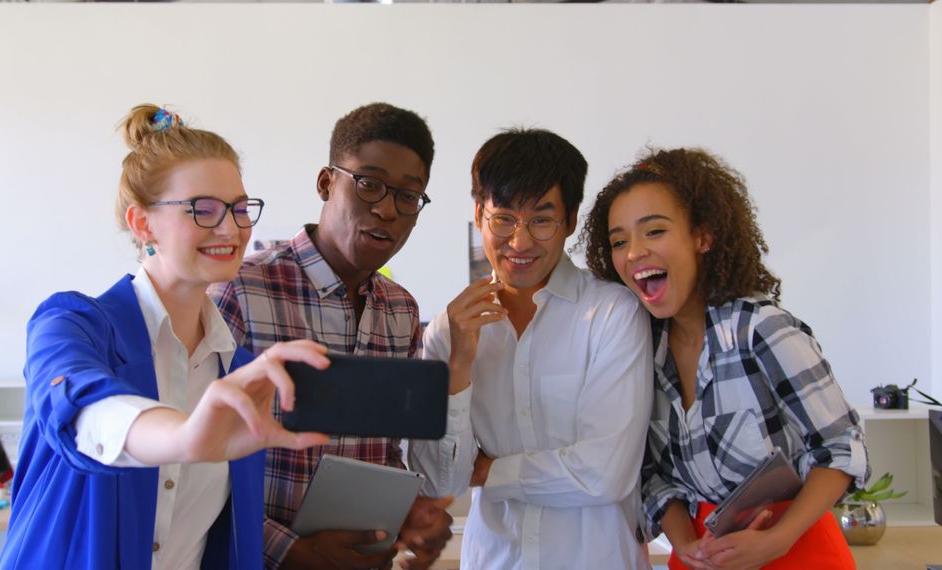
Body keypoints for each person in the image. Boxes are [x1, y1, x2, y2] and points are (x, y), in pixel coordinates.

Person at [0, 104, 330, 570]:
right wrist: (183, 436)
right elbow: (81, 410)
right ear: (142, 223)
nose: (231, 228)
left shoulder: (237, 372)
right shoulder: (73, 324)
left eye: (239, 209)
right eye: (203, 210)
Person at [581, 147, 869, 570]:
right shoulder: (640, 347)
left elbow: (841, 448)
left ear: (703, 237)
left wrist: (778, 541)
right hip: (702, 555)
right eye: (619, 241)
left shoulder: (762, 329)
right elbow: (648, 473)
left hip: (796, 550)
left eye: (654, 231)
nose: (634, 252)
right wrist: (684, 544)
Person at [210, 102, 453, 570]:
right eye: (369, 183)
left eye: (408, 195)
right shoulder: (239, 291)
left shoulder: (401, 310)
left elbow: (383, 453)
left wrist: (410, 513)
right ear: (326, 183)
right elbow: (191, 465)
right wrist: (289, 551)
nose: (387, 209)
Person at [408, 128, 654, 569]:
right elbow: (439, 481)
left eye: (541, 220)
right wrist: (459, 366)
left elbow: (606, 473)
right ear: (479, 214)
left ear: (571, 220)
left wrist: (488, 471)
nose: (519, 243)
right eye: (503, 218)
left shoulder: (612, 314)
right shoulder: (450, 328)